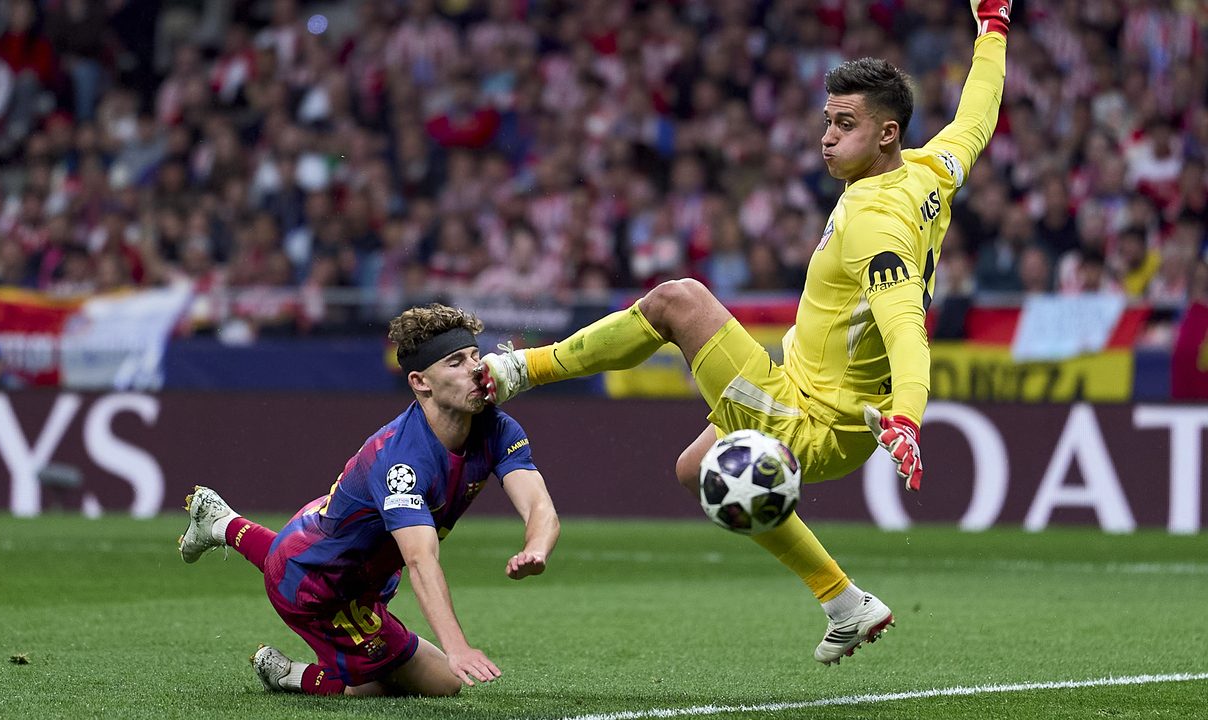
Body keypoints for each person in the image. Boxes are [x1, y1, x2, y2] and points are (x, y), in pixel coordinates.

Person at [476, 1, 1010, 665]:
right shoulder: (932, 169)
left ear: (886, 134)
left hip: (816, 417)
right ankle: (844, 602)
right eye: (827, 121)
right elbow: (978, 114)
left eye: (846, 125)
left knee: (678, 300)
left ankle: (518, 369)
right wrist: (993, 27)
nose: (827, 137)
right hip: (801, 383)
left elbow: (907, 326)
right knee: (696, 468)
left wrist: (908, 416)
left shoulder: (877, 224)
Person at [179, 303, 560, 696]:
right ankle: (291, 675)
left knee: (310, 557)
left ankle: (222, 523)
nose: (476, 371)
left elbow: (538, 505)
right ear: (420, 382)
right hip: (324, 591)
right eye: (456, 362)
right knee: (434, 684)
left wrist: (536, 548)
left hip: (328, 544)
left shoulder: (496, 427)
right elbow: (419, 559)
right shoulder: (402, 463)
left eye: (476, 357)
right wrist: (457, 648)